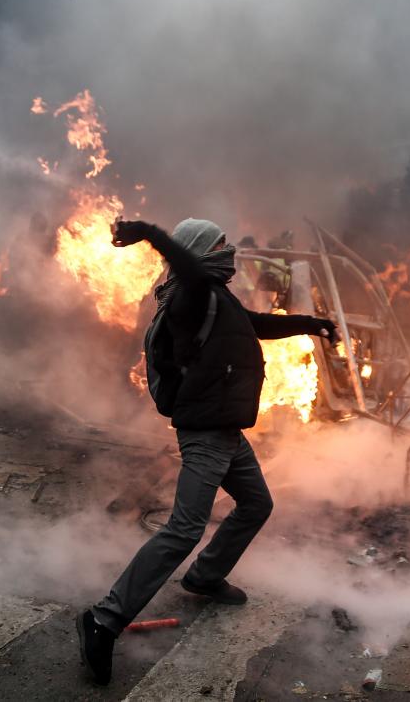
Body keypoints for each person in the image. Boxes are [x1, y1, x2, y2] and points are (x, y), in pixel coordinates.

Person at [76, 217, 339, 686]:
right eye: (219, 242)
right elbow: (188, 268)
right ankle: (104, 618)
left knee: (257, 503)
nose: (230, 247)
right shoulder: (190, 296)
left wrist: (311, 325)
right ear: (197, 252)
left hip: (227, 431)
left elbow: (253, 325)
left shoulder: (217, 297)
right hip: (206, 431)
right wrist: (150, 233)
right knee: (183, 530)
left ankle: (204, 576)